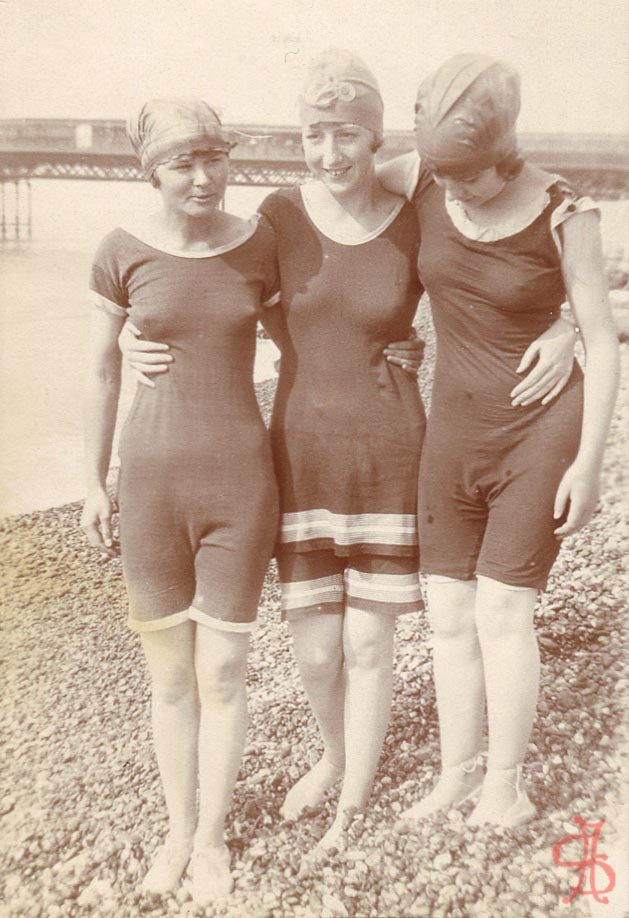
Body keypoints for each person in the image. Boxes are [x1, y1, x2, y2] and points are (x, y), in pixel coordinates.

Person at [120, 51, 581, 849]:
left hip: (393, 450)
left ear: (375, 140)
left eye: (346, 135)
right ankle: (333, 758)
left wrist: (566, 320)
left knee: (369, 641)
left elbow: (510, 254)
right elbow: (211, 282)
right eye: (313, 134)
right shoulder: (277, 214)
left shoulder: (418, 206)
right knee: (315, 645)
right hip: (297, 451)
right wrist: (134, 330)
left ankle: (352, 799)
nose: (329, 153)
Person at [378, 54, 619, 827]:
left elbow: (604, 337)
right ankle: (456, 776)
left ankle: (503, 787)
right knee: (447, 613)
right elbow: (327, 203)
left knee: (502, 614)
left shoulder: (563, 209)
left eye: (467, 178)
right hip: (450, 433)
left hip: (537, 432)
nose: (451, 192)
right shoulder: (418, 176)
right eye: (440, 176)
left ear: (503, 151)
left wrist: (589, 461)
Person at [81, 99, 281, 903]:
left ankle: (210, 837)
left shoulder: (261, 243)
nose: (202, 178)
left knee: (224, 670)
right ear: (152, 171)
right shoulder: (119, 251)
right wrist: (92, 481)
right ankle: (174, 828)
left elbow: (314, 332)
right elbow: (99, 370)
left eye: (213, 159)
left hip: (241, 481)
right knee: (169, 679)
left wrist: (397, 346)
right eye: (180, 164)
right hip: (152, 485)